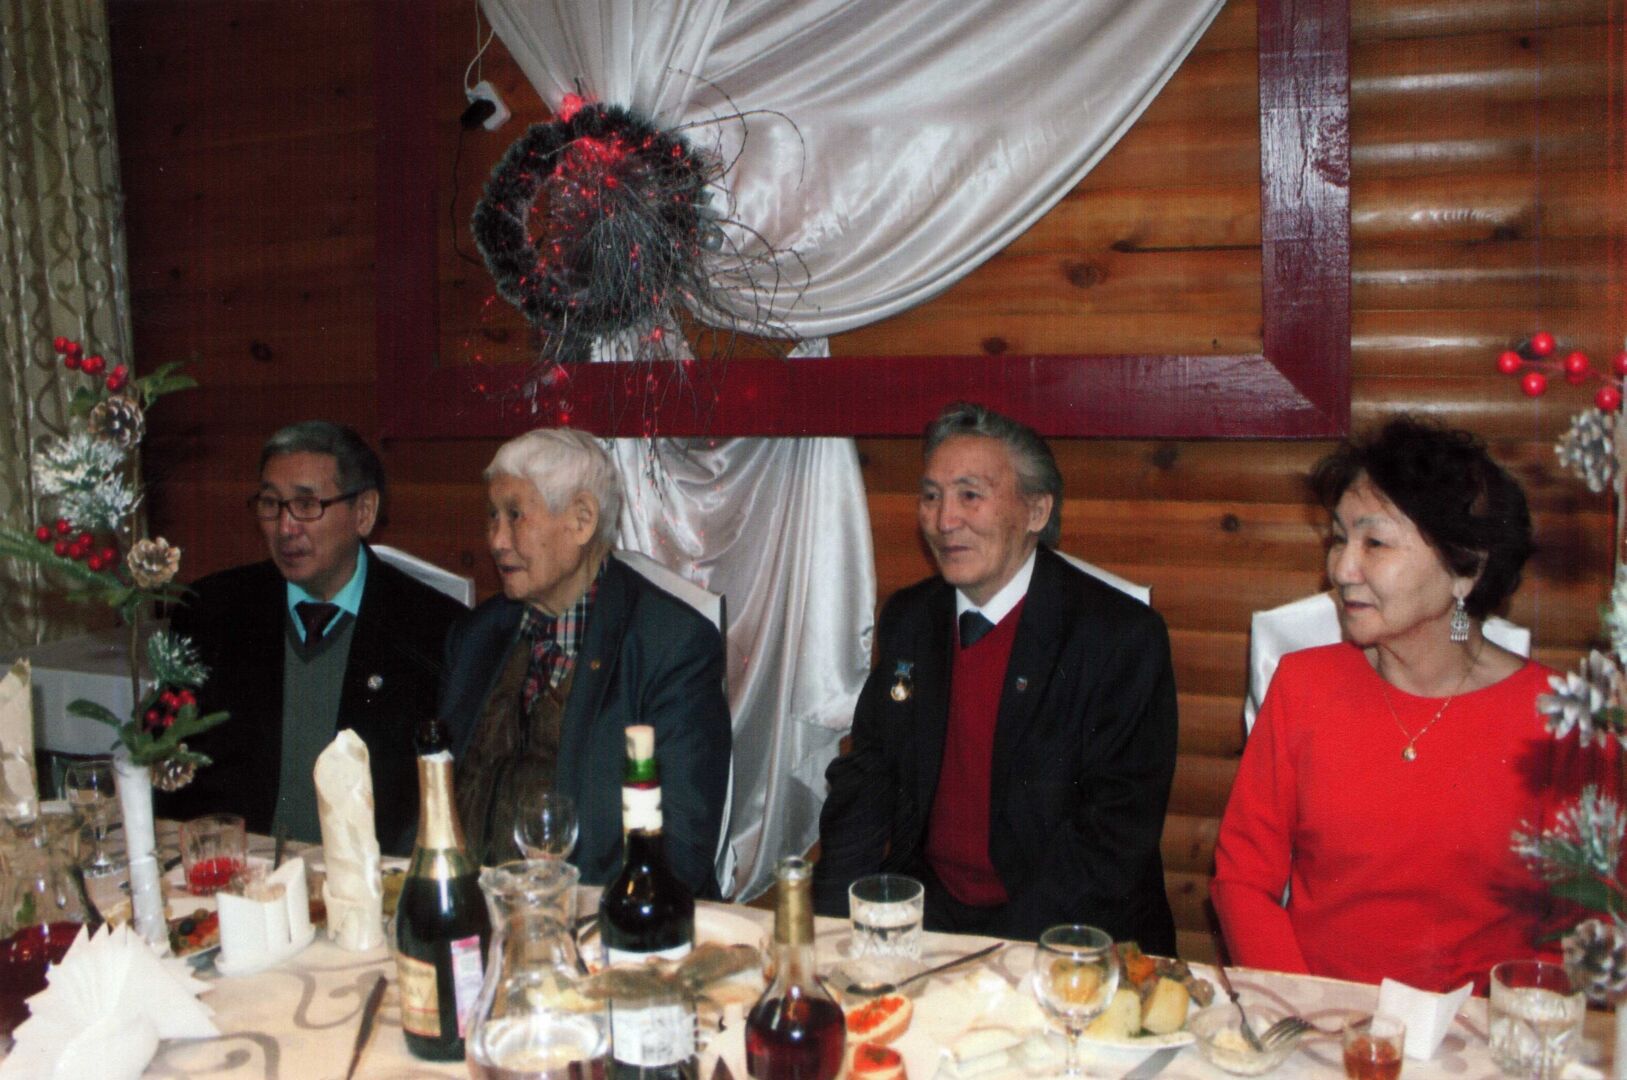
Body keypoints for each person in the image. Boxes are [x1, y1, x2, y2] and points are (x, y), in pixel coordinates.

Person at [1211, 417, 1607, 993]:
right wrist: (1304, 1009)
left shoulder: (1560, 719)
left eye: (1374, 543)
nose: (1341, 569)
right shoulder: (1303, 686)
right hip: (1319, 1015)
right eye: (1339, 539)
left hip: (1482, 1028)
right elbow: (1242, 879)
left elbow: (1581, 920)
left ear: (1466, 568)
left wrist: (1507, 1023)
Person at [812, 402, 1179, 950]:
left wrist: (996, 959)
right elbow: (867, 781)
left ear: (1036, 511)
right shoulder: (912, 620)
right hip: (934, 917)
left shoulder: (1119, 638)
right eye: (931, 496)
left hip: (1070, 934)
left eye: (970, 495)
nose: (944, 520)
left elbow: (1111, 840)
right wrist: (829, 926)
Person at [439, 428, 731, 897]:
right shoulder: (478, 637)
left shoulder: (670, 646)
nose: (496, 540)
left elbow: (680, 850)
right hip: (471, 909)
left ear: (581, 520)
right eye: (492, 516)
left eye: (516, 515)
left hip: (600, 917)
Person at [161, 421, 466, 855]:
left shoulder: (435, 631)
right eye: (271, 504)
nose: (286, 527)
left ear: (364, 512)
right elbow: (172, 774)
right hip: (241, 873)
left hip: (369, 878)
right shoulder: (212, 612)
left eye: (307, 505)